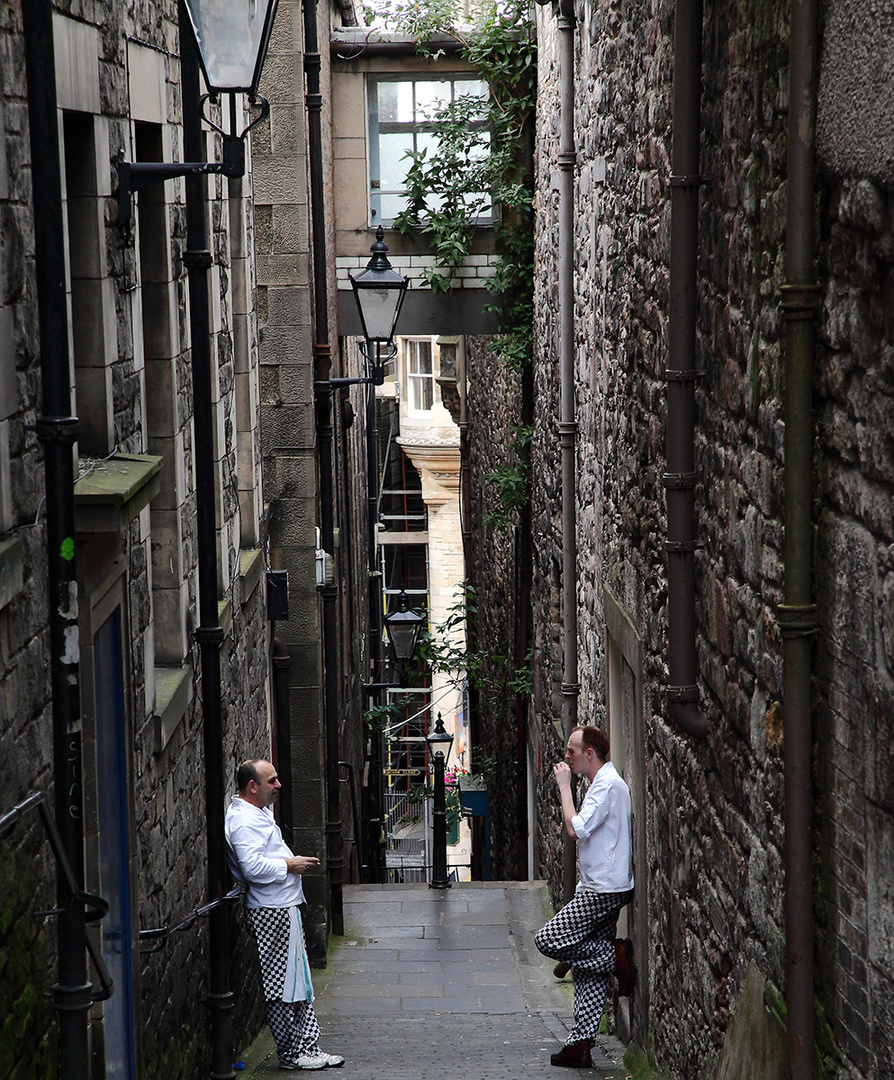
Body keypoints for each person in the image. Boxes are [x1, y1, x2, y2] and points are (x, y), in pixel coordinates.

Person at [225, 758, 345, 1071]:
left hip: (282, 907)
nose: (279, 786)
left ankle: (308, 1047)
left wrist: (292, 860)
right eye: (272, 781)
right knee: (283, 987)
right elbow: (251, 868)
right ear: (253, 787)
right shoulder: (243, 822)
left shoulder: (256, 813)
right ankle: (294, 1054)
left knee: (298, 982)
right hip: (271, 910)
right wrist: (289, 865)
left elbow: (266, 854)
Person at [534, 726, 635, 1068]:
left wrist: (565, 789)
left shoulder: (606, 785)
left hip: (603, 889)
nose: (567, 756)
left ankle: (616, 955)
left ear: (589, 753)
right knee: (586, 973)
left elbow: (574, 829)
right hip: (600, 884)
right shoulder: (604, 784)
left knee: (548, 940)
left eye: (571, 751)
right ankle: (580, 1045)